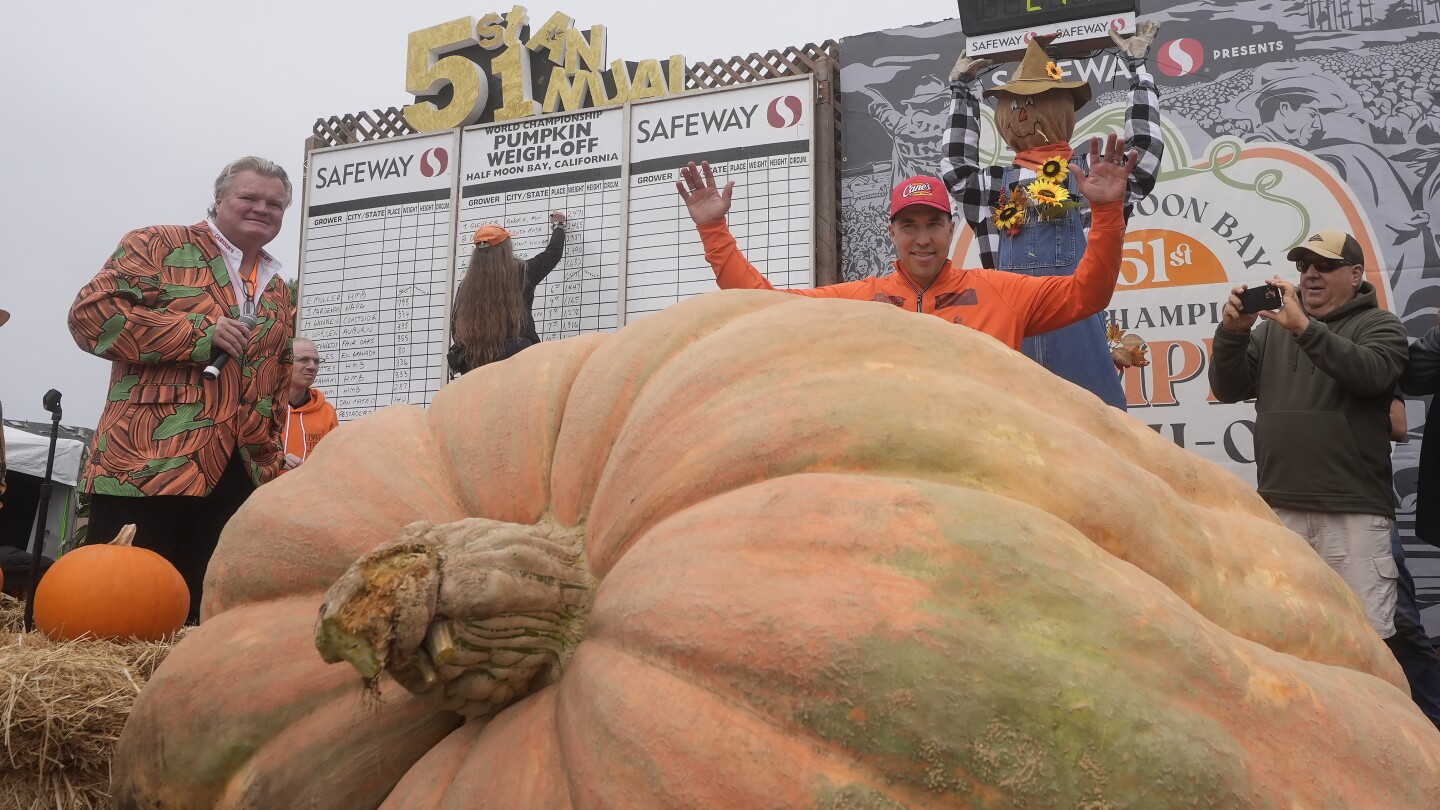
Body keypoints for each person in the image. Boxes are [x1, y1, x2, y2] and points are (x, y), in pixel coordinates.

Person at [68, 156, 296, 623]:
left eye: (274, 204)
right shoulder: (157, 244)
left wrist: (272, 463)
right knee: (119, 611)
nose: (262, 208)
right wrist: (198, 334)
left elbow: (275, 379)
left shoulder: (277, 288)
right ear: (218, 200)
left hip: (240, 473)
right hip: (149, 461)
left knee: (202, 616)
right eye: (248, 197)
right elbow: (90, 319)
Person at [675, 131, 1138, 352]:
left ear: (951, 229)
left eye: (933, 225)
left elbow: (1087, 293)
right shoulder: (860, 300)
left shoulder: (1003, 293)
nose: (922, 240)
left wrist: (1106, 212)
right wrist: (714, 230)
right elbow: (765, 305)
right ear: (891, 232)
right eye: (909, 226)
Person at [940, 25, 1163, 409]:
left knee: (1098, 443)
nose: (1022, 113)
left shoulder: (1093, 175)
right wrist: (961, 93)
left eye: (1034, 103)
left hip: (1080, 334)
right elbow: (956, 168)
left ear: (1061, 111)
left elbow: (1142, 158)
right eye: (1014, 104)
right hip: (1010, 338)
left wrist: (1138, 71)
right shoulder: (993, 186)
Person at [1209, 229, 1408, 647]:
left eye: (1325, 265)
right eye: (1304, 266)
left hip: (1351, 513)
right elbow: (1228, 389)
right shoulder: (1270, 331)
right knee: (1293, 637)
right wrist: (1233, 333)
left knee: (1363, 645)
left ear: (1355, 274)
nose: (1311, 274)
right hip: (1281, 511)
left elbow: (1371, 374)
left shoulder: (1380, 324)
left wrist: (1304, 328)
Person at [448, 211, 566, 376]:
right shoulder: (521, 272)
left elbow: (456, 329)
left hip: (477, 361)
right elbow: (552, 254)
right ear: (505, 248)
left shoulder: (466, 287)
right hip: (518, 357)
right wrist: (559, 226)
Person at [281, 337, 338, 472]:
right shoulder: (263, 406)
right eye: (304, 359)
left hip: (309, 491)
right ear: (284, 363)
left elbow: (335, 461)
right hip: (264, 491)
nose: (312, 366)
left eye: (316, 361)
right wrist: (277, 461)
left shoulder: (327, 412)